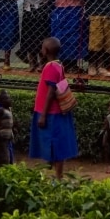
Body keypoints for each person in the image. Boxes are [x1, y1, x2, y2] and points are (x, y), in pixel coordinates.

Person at [32, 37, 80, 177]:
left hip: (51, 113)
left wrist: (43, 115)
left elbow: (51, 92)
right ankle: (56, 173)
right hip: (53, 112)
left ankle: (58, 176)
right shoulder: (58, 64)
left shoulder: (51, 67)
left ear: (45, 50)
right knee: (54, 143)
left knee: (55, 144)